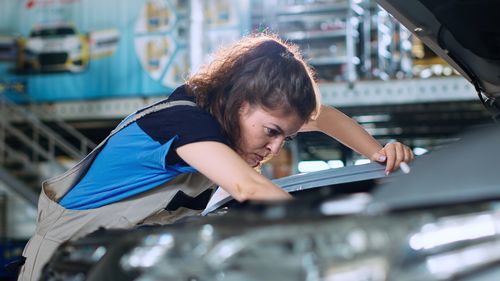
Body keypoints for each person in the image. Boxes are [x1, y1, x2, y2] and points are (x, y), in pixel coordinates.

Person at [17, 33, 413, 280]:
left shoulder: (219, 119)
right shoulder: (183, 124)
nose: (275, 148)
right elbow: (247, 185)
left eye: (286, 137)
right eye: (272, 132)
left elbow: (323, 117)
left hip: (116, 258)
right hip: (62, 262)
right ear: (240, 103)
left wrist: (380, 155)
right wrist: (345, 245)